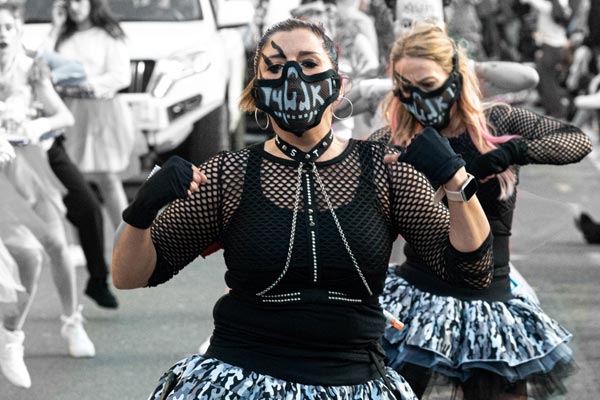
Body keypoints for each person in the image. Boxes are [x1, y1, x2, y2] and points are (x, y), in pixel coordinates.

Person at [112, 18, 495, 400]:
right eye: (275, 68)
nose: (292, 78)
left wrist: (456, 180)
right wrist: (143, 210)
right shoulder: (228, 175)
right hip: (245, 379)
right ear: (258, 91)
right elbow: (130, 275)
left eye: (309, 64)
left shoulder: (385, 170)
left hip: (356, 380)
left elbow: (470, 270)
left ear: (337, 84)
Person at [371, 22, 592, 399]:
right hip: (416, 294)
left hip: (490, 297)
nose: (416, 98)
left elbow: (577, 140)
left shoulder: (498, 122)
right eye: (404, 88)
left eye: (427, 85)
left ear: (456, 77)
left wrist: (512, 152)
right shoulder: (394, 141)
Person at [0, 1, 96, 386]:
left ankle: (72, 322)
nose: (1, 35)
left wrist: (35, 124)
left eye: (7, 27)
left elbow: (63, 116)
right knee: (27, 256)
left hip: (28, 166)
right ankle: (13, 338)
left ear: (18, 31)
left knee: (55, 245)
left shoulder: (30, 70)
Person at [50, 0, 134, 232]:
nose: (74, 8)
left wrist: (87, 85)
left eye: (79, 1)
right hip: (73, 114)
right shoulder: (63, 36)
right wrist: (55, 26)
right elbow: (44, 62)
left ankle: (126, 239)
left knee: (107, 177)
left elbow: (121, 75)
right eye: (69, 3)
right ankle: (84, 244)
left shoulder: (109, 35)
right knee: (75, 182)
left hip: (103, 113)